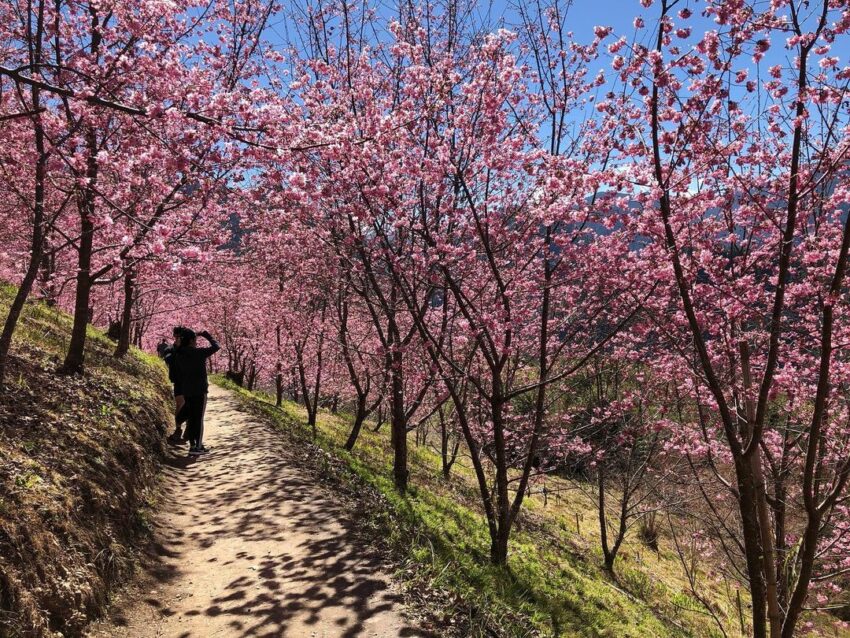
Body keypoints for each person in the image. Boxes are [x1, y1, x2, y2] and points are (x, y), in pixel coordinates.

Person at [172, 328, 219, 455]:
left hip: (187, 389)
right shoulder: (198, 353)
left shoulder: (179, 353)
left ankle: (194, 444)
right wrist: (207, 335)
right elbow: (216, 346)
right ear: (192, 340)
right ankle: (196, 447)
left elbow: (176, 347)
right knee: (198, 419)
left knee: (192, 418)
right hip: (199, 390)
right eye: (195, 340)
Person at [161, 327, 189, 443]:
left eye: (180, 337)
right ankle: (178, 428)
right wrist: (176, 349)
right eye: (176, 337)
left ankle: (189, 428)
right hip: (178, 381)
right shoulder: (170, 349)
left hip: (190, 381)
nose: (178, 339)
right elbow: (168, 360)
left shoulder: (190, 349)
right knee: (180, 404)